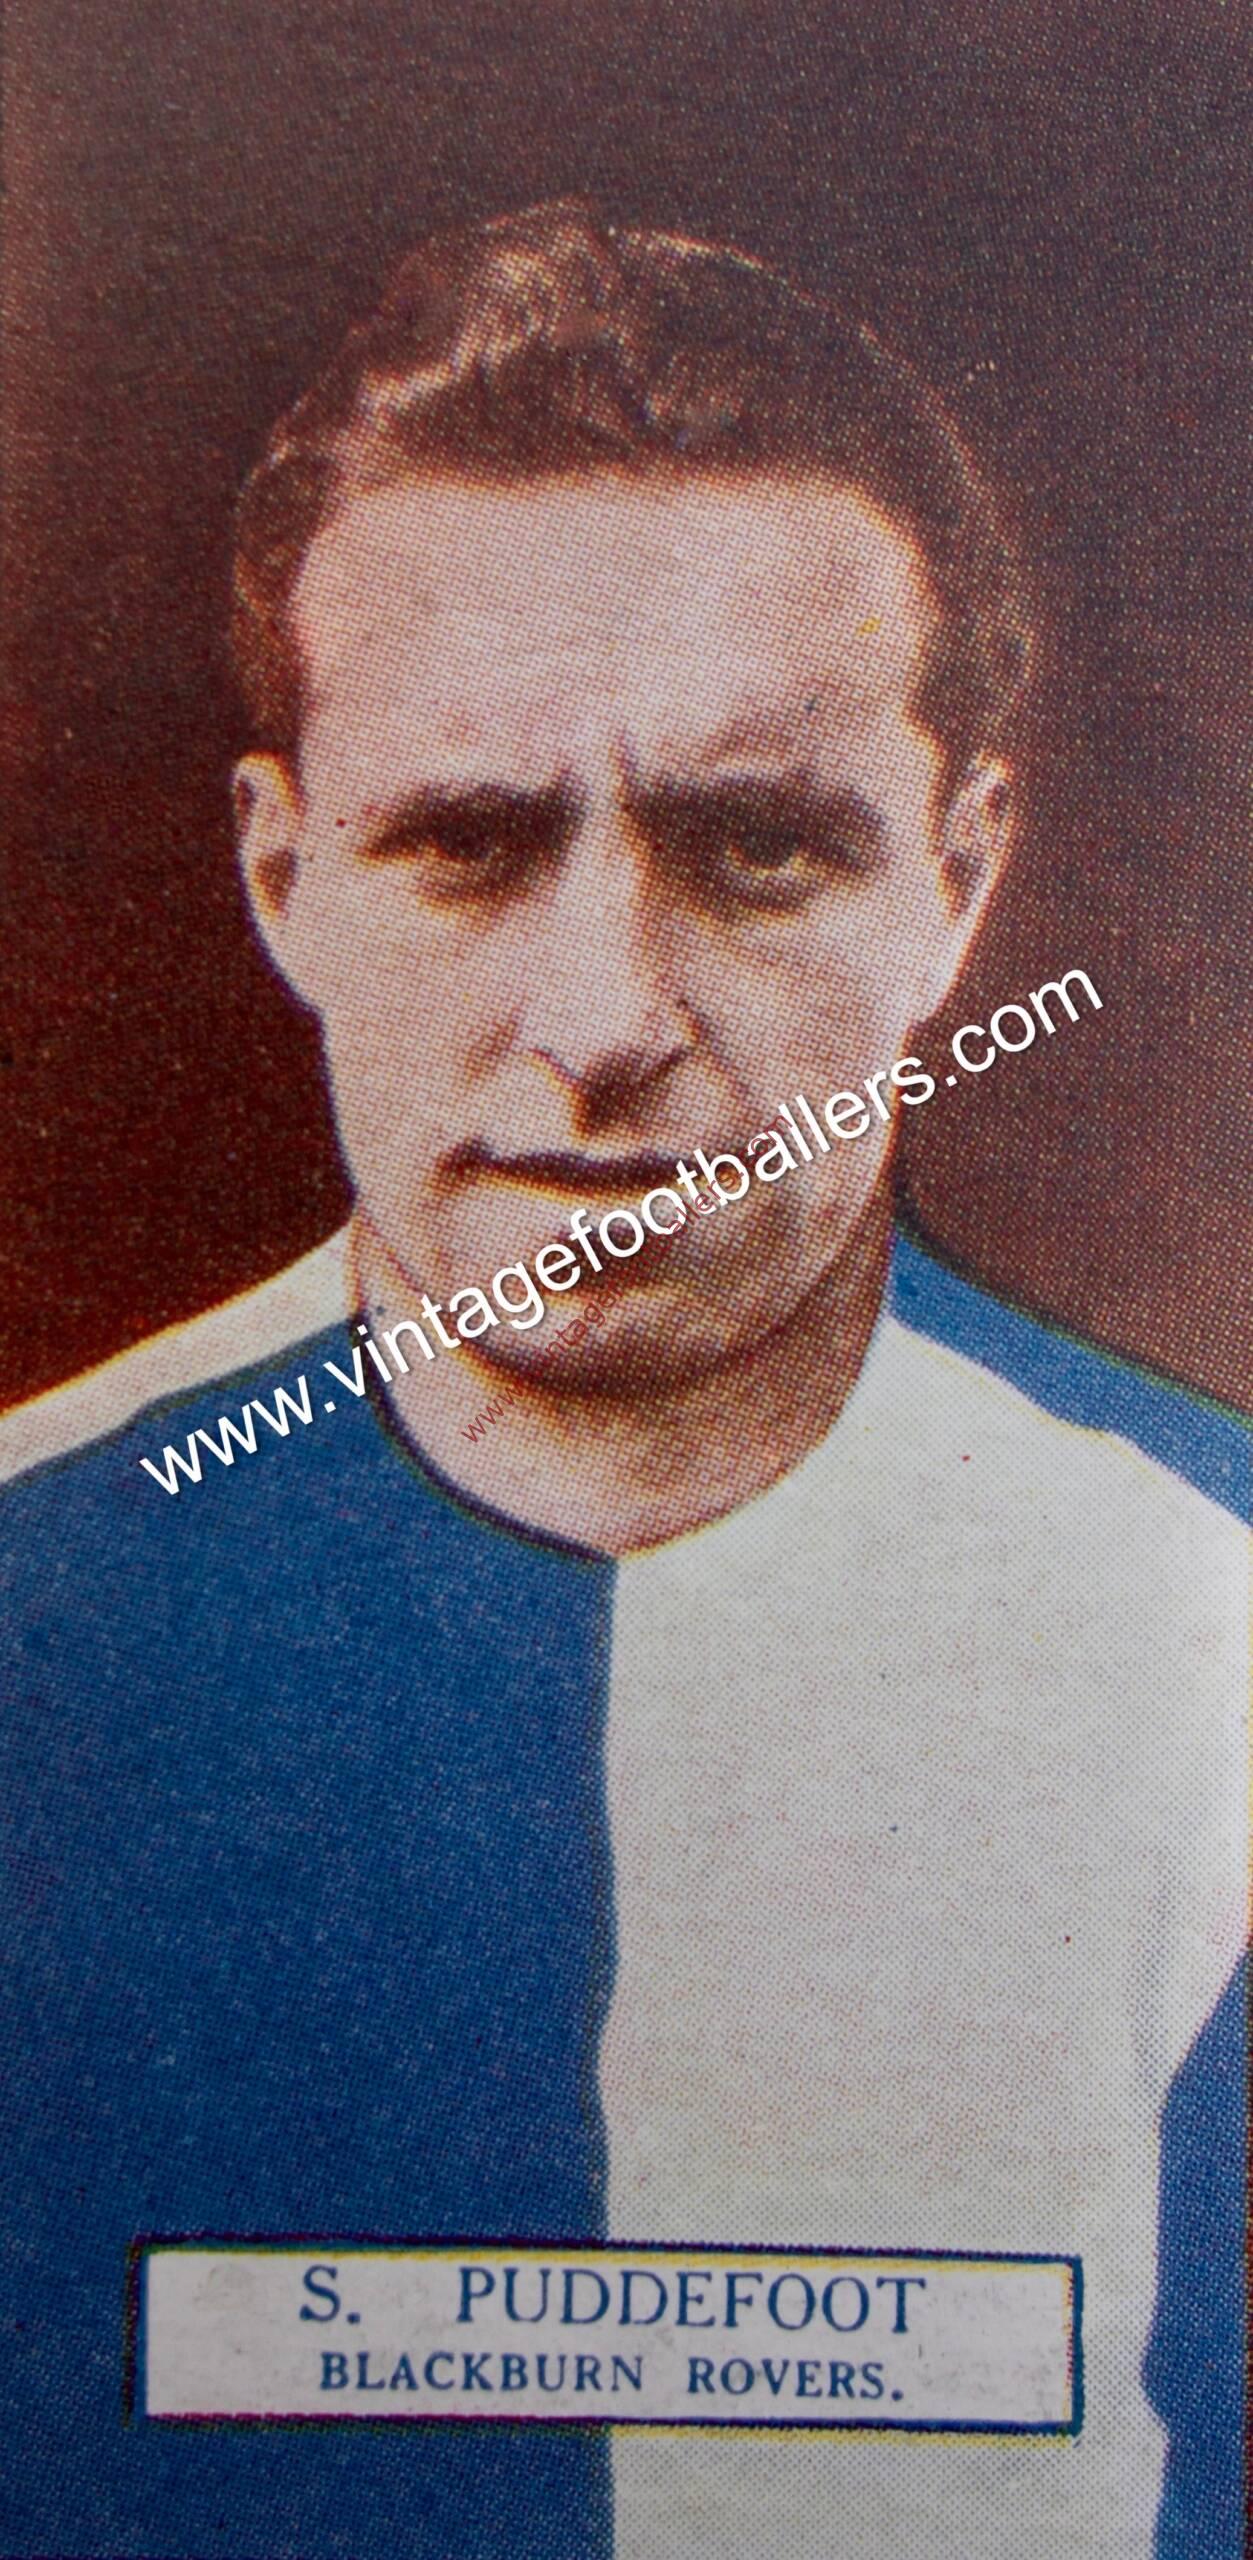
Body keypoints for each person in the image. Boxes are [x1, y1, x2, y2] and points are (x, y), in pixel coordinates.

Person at [0, 200, 1244, 2560]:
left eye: (758, 846)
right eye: (467, 843)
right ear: (280, 877)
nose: (603, 1017)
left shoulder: (1228, 1625)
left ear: (959, 885)